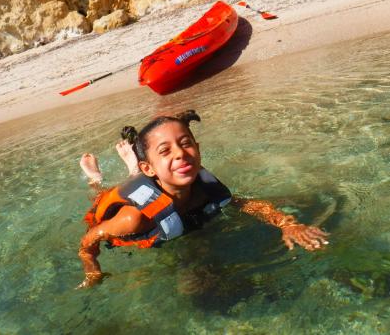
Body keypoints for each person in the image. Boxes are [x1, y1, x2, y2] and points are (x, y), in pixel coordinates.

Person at [77, 110, 329, 289]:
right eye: (166, 150)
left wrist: (287, 223)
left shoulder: (201, 186)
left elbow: (244, 203)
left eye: (186, 144)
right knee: (101, 196)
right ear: (150, 167)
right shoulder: (134, 218)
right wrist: (92, 269)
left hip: (157, 180)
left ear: (197, 148)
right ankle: (96, 178)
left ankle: (136, 165)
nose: (180, 154)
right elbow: (88, 240)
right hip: (128, 210)